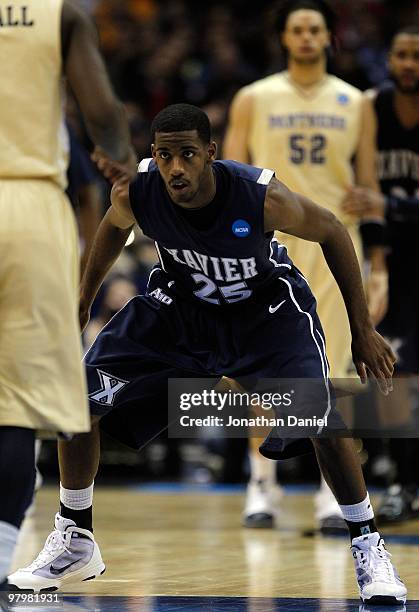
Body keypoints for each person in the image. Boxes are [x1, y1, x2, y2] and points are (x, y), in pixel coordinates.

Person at [9, 104, 406, 606]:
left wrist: (362, 328)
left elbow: (331, 230)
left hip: (266, 315)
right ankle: (76, 534)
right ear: (154, 154)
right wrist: (83, 301)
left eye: (188, 155)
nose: (176, 168)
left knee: (320, 417)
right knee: (79, 395)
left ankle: (367, 544)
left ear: (210, 155)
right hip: (181, 311)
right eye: (166, 155)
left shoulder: (259, 195)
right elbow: (112, 227)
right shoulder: (139, 190)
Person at [223, 0, 387, 532]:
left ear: (327, 37)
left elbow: (367, 188)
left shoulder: (356, 101)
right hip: (270, 245)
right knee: (263, 372)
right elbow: (228, 174)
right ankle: (261, 484)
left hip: (337, 245)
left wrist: (378, 261)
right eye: (298, 28)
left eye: (315, 28)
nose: (307, 36)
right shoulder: (254, 97)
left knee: (338, 372)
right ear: (285, 38)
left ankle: (330, 493)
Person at [0, 0, 136, 594]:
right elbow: (102, 113)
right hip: (27, 204)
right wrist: (122, 161)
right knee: (15, 404)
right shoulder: (60, 15)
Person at [343, 26, 419, 523]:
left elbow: (379, 199)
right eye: (401, 54)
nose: (409, 63)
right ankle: (401, 482)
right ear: (388, 59)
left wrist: (391, 203)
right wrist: (378, 263)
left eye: (417, 56)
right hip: (394, 260)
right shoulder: (372, 108)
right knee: (395, 377)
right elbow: (359, 190)